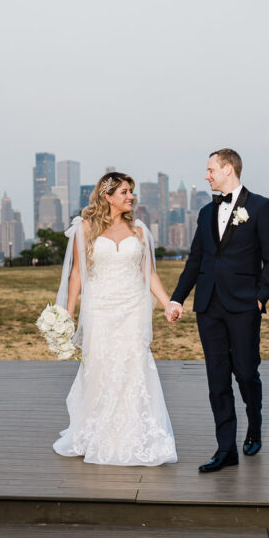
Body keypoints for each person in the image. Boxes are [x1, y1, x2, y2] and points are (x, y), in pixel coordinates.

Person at [166, 149, 269, 473]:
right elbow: (196, 261)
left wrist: (261, 297)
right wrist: (177, 299)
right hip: (208, 307)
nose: (206, 175)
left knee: (246, 372)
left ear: (227, 169)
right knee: (217, 379)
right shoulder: (205, 213)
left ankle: (255, 426)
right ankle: (225, 448)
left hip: (244, 304)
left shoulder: (260, 207)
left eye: (210, 169)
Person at [52, 172, 178, 466]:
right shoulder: (85, 229)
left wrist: (167, 302)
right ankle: (96, 432)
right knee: (101, 368)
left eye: (131, 192)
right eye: (124, 192)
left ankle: (134, 435)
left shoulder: (141, 232)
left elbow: (149, 273)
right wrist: (68, 314)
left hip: (133, 308)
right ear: (107, 197)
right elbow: (76, 274)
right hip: (101, 310)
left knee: (134, 366)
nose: (131, 197)